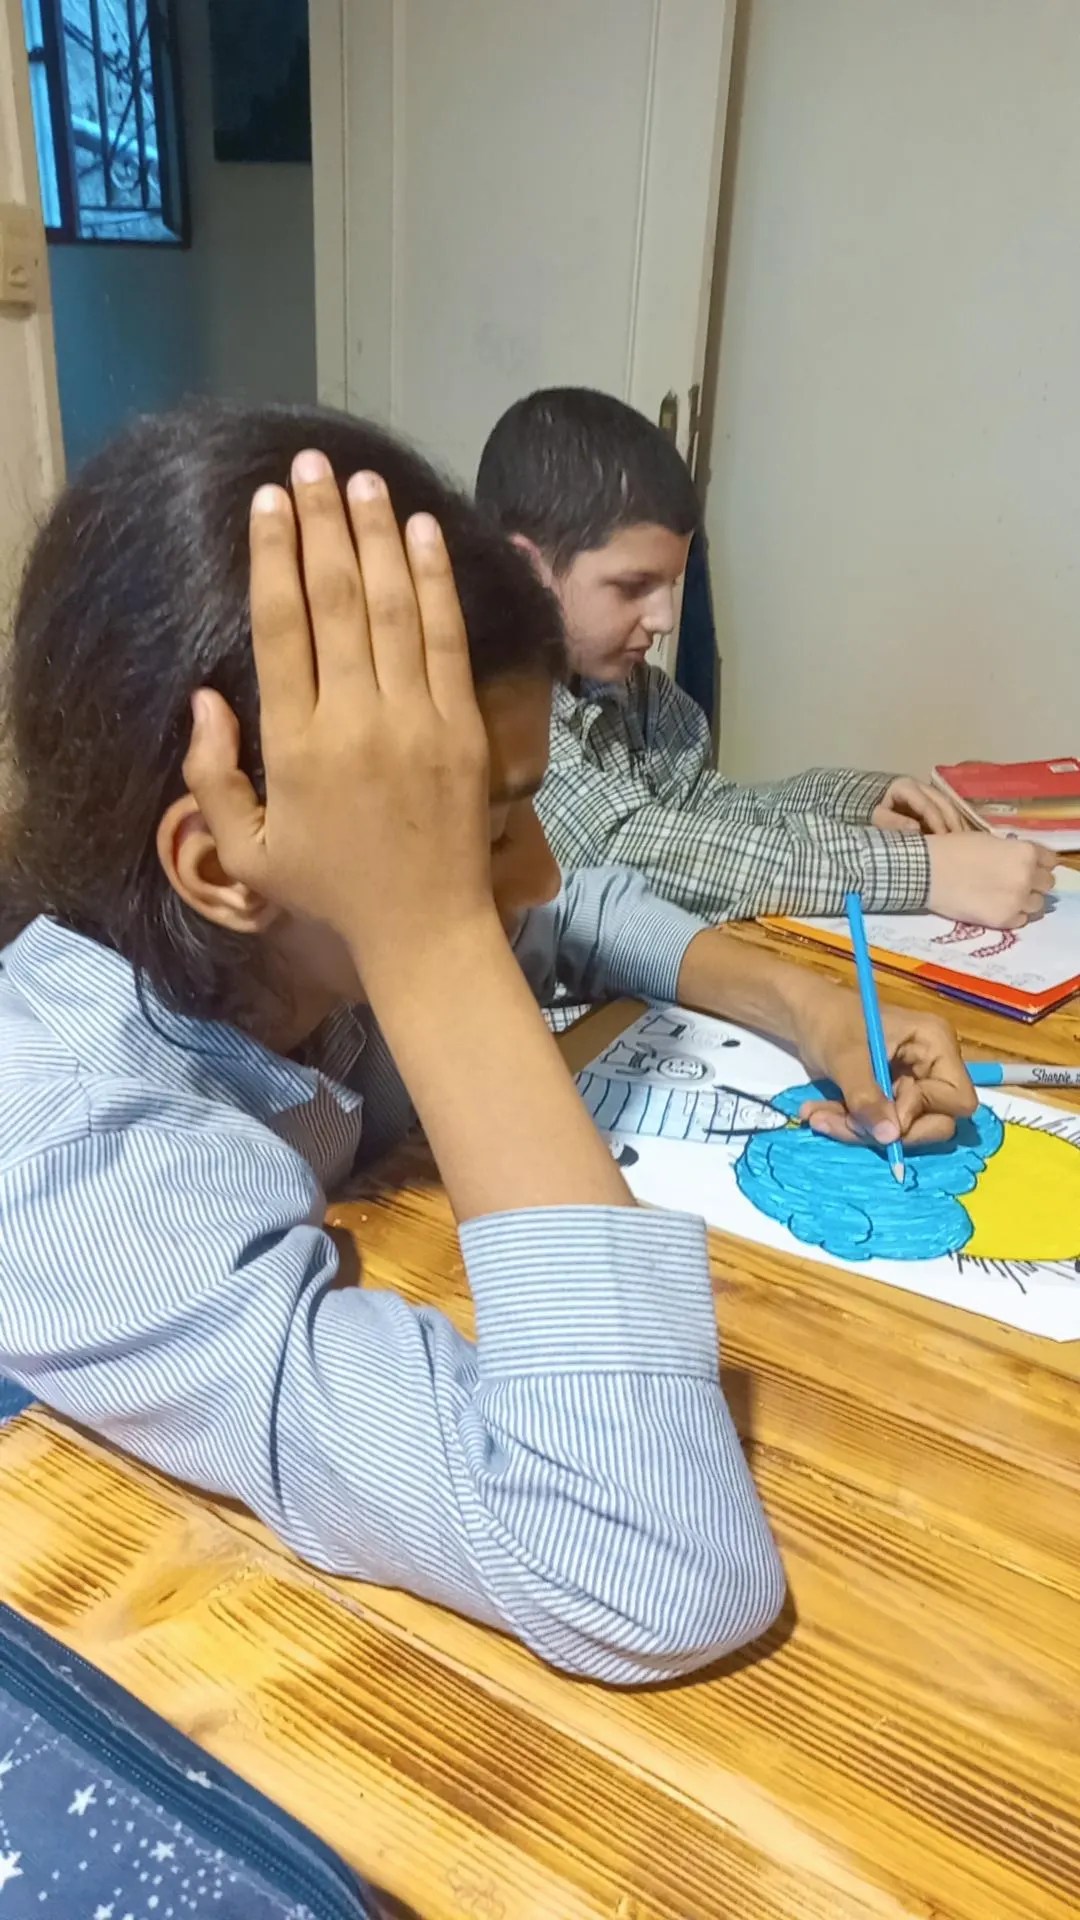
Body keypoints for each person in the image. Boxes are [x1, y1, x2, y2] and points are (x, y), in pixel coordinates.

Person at [0, 402, 975, 1689]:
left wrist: (810, 1009)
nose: (537, 872)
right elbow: (648, 1557)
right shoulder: (76, 1157)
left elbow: (581, 908)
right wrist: (427, 933)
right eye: (488, 829)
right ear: (228, 867)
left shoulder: (300, 948)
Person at [475, 387, 1055, 929]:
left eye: (670, 585)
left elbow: (706, 807)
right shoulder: (492, 701)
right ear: (524, 569)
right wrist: (921, 873)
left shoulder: (634, 689)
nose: (664, 618)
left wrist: (853, 801)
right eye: (633, 586)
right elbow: (626, 848)